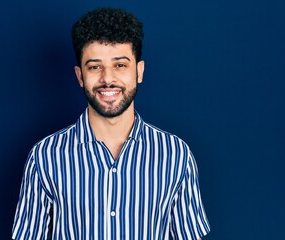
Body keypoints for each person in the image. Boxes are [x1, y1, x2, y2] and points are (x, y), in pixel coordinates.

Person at [12, 7, 210, 240]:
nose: (107, 79)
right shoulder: (44, 157)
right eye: (95, 67)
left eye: (120, 65)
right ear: (80, 76)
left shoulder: (176, 155)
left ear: (139, 71)